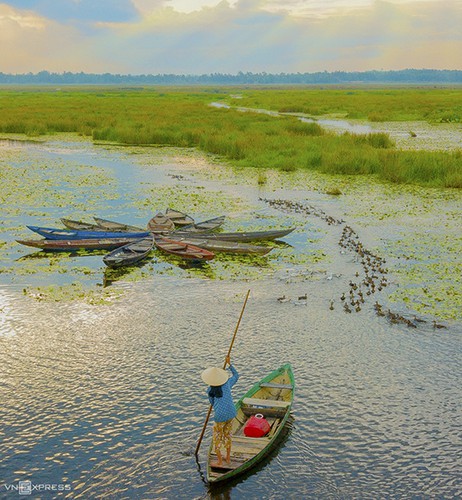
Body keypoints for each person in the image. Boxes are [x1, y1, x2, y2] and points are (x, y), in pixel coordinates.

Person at [201, 355, 239, 466]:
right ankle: (227, 458)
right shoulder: (227, 383)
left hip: (220, 417)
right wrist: (230, 364)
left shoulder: (210, 390)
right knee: (227, 436)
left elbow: (212, 403)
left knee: (217, 438)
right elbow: (236, 376)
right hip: (231, 413)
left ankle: (220, 461)